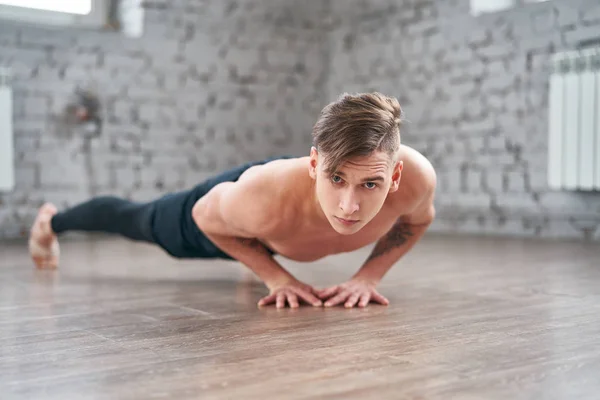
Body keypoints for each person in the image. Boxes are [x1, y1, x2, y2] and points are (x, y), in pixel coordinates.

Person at [28, 92, 437, 309]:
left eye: (370, 185)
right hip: (232, 206)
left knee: (259, 222)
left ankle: (257, 248)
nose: (349, 206)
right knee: (137, 219)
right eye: (336, 178)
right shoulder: (261, 198)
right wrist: (277, 277)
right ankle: (51, 223)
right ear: (314, 164)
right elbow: (204, 216)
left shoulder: (415, 181)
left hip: (266, 216)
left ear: (395, 175)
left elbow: (416, 222)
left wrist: (368, 277)